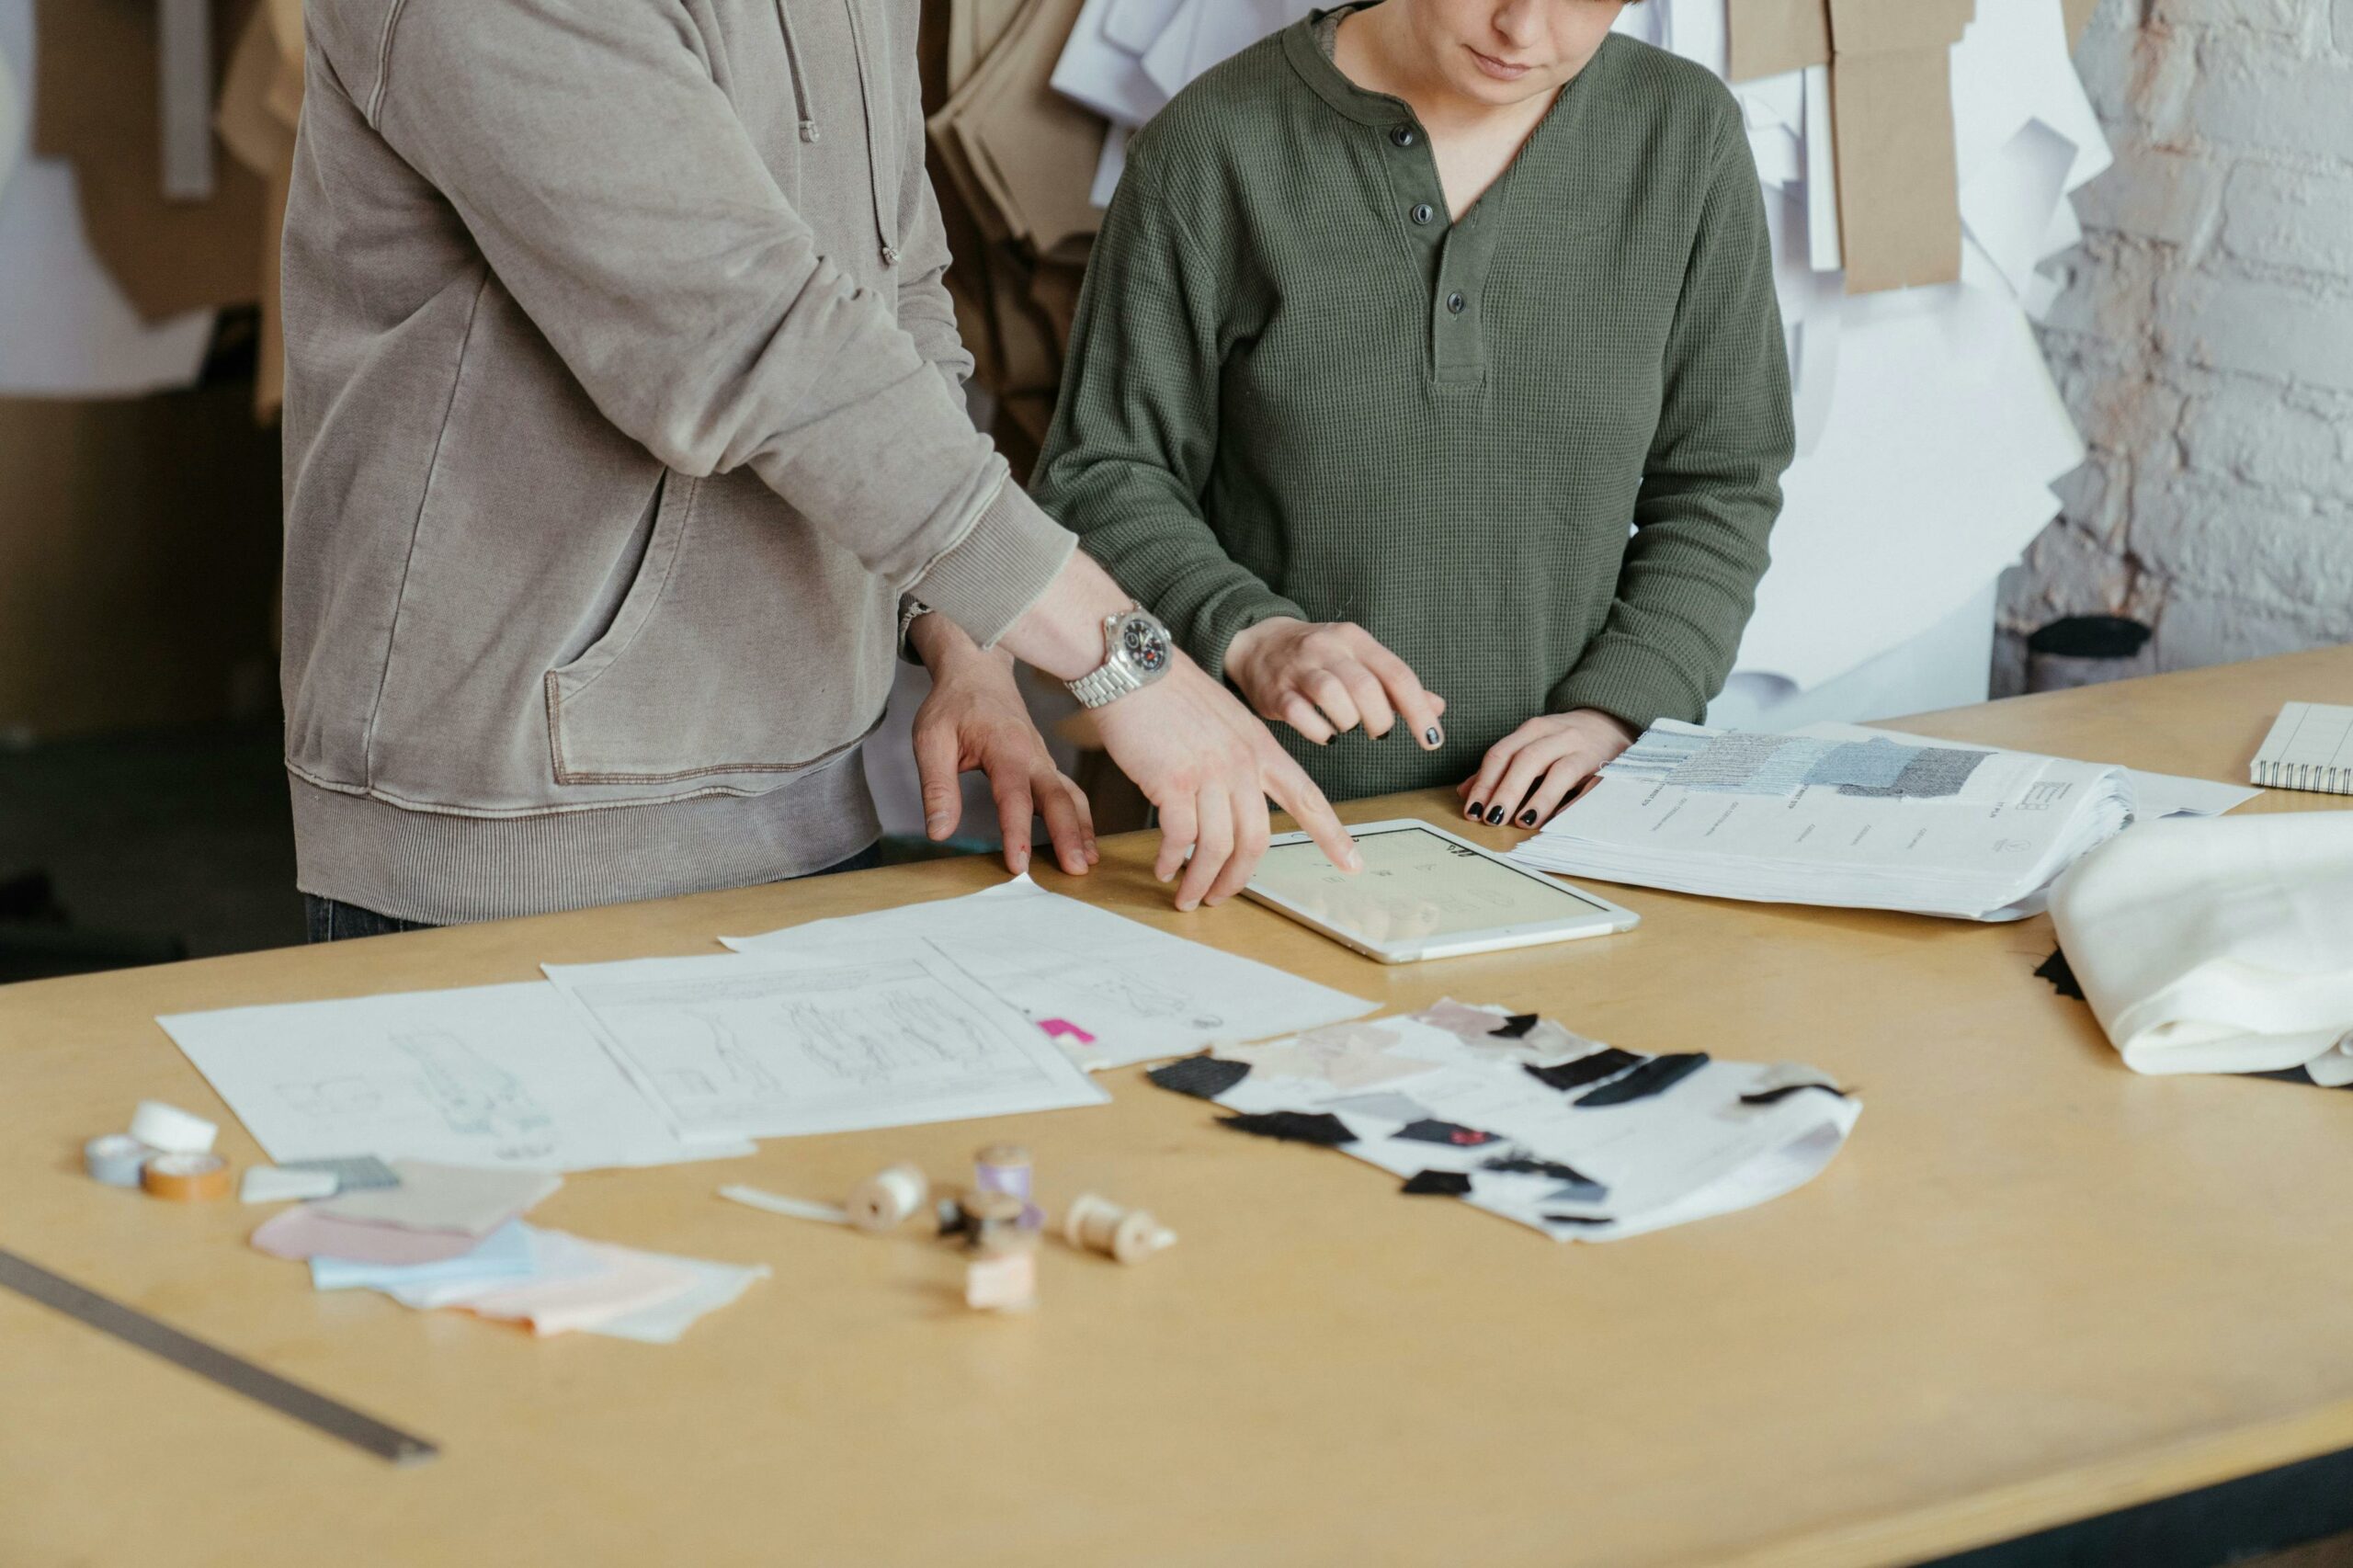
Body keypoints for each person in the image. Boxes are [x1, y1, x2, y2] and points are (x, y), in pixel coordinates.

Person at [280, 0, 1360, 941]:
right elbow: (744, 334)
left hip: (802, 791)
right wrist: (1122, 657)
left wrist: (962, 630)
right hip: (514, 844)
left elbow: (892, 290)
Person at [1032, 0, 1794, 831]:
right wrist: (1252, 636)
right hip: (1244, 819)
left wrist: (1619, 711)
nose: (1524, 28)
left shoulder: (1684, 134)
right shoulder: (1213, 143)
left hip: (1557, 834)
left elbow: (1721, 482)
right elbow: (1104, 474)